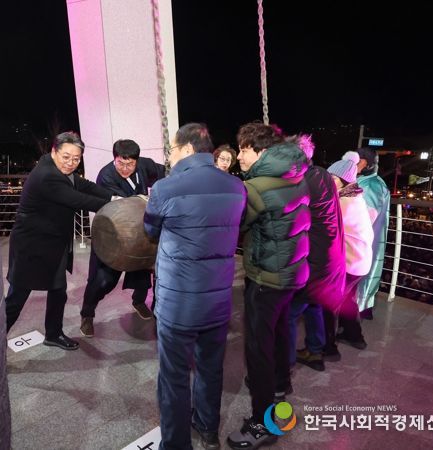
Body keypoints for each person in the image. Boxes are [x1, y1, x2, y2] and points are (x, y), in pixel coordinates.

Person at [144, 123, 246, 450]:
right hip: (218, 301)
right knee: (211, 368)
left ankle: (176, 444)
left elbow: (150, 230)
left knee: (173, 376)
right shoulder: (236, 187)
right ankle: (207, 428)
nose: (170, 157)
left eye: (172, 150)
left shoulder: (166, 188)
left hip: (178, 304)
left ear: (187, 149)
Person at [227, 122, 310, 450]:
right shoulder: (297, 175)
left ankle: (262, 423)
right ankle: (279, 385)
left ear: (260, 151)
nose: (239, 156)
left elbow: (236, 224)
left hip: (267, 277)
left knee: (258, 348)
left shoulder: (256, 187)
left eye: (243, 149)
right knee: (280, 331)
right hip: (292, 273)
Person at [4, 131, 113, 351]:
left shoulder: (60, 169)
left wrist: (114, 197)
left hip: (53, 244)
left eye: (76, 159)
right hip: (32, 246)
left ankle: (53, 334)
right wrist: (114, 206)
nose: (71, 163)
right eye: (66, 157)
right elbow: (78, 199)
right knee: (17, 297)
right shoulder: (47, 175)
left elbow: (85, 186)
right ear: (54, 151)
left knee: (58, 291)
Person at [79, 139, 165, 337]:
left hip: (139, 233)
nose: (125, 168)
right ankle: (87, 314)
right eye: (120, 163)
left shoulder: (145, 165)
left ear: (137, 160)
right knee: (102, 281)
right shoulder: (106, 176)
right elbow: (125, 207)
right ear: (114, 159)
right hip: (112, 235)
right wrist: (145, 199)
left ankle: (138, 301)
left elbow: (163, 173)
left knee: (143, 273)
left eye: (130, 164)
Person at [287, 135, 346, 372]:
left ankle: (284, 365)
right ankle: (315, 351)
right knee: (313, 304)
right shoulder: (322, 174)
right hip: (332, 257)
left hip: (314, 259)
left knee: (289, 313)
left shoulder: (301, 183)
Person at [324, 151, 374, 355]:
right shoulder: (355, 197)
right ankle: (354, 336)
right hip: (361, 261)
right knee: (348, 298)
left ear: (344, 181)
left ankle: (327, 348)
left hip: (351, 263)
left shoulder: (343, 202)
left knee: (327, 302)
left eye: (332, 178)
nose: (328, 181)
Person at [355, 147, 391, 320]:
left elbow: (365, 218)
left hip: (363, 242)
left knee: (362, 276)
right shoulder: (373, 182)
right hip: (368, 242)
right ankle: (363, 308)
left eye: (356, 161)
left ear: (366, 163)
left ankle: (358, 311)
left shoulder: (370, 185)